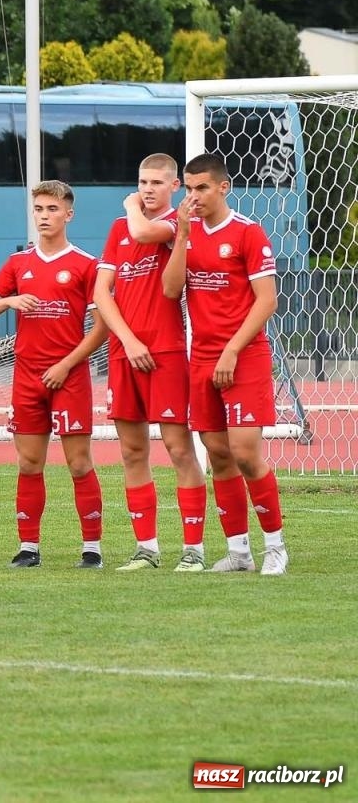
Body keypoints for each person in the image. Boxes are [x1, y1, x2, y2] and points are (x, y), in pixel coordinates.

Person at [162, 154, 288, 574]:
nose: (193, 196)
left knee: (246, 452)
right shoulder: (186, 231)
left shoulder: (248, 233)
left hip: (245, 354)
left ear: (223, 188)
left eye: (201, 188)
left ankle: (276, 547)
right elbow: (171, 289)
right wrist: (180, 233)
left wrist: (232, 349)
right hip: (202, 357)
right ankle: (239, 552)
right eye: (189, 188)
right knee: (217, 455)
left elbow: (267, 300)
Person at [0, 181, 108, 569]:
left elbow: (101, 327)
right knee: (29, 463)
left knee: (79, 463)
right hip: (27, 377)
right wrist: (10, 300)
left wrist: (66, 364)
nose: (44, 216)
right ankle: (29, 547)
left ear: (69, 214)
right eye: (38, 209)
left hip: (70, 377)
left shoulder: (86, 264)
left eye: (51, 209)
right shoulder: (19, 264)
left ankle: (92, 549)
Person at [93, 154, 209, 572]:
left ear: (174, 187)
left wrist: (128, 208)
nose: (146, 189)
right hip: (127, 353)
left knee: (179, 449)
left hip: (166, 353)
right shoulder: (116, 231)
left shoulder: (173, 225)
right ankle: (147, 548)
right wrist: (125, 338)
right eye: (141, 182)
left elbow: (142, 231)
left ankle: (193, 549)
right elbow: (102, 293)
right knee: (132, 451)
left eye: (157, 183)